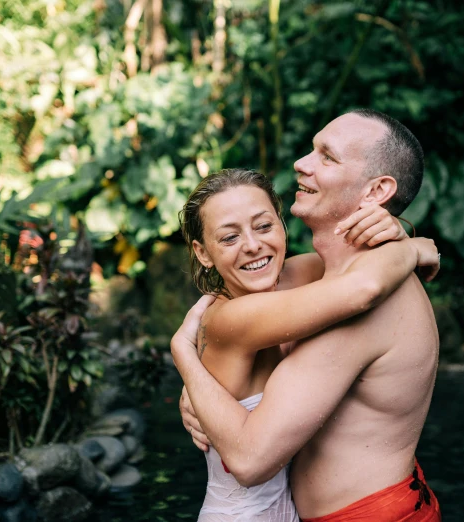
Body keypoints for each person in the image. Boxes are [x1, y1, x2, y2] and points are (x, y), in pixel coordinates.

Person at [174, 109, 442, 521]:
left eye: (327, 156)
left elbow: (250, 458)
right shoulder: (312, 278)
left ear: (376, 191)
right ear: (202, 252)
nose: (301, 163)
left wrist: (186, 359)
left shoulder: (366, 297)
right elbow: (235, 341)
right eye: (229, 236)